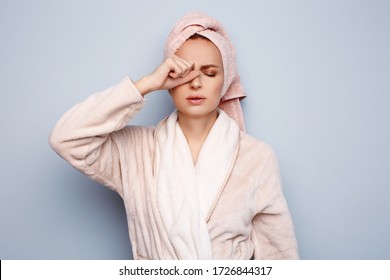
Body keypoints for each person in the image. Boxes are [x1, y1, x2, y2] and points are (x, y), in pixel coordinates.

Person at [49, 12, 299, 260]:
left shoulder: (257, 157)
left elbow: (279, 256)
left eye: (210, 73)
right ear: (168, 80)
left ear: (225, 82)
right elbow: (66, 138)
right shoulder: (136, 151)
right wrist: (145, 85)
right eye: (184, 73)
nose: (196, 83)